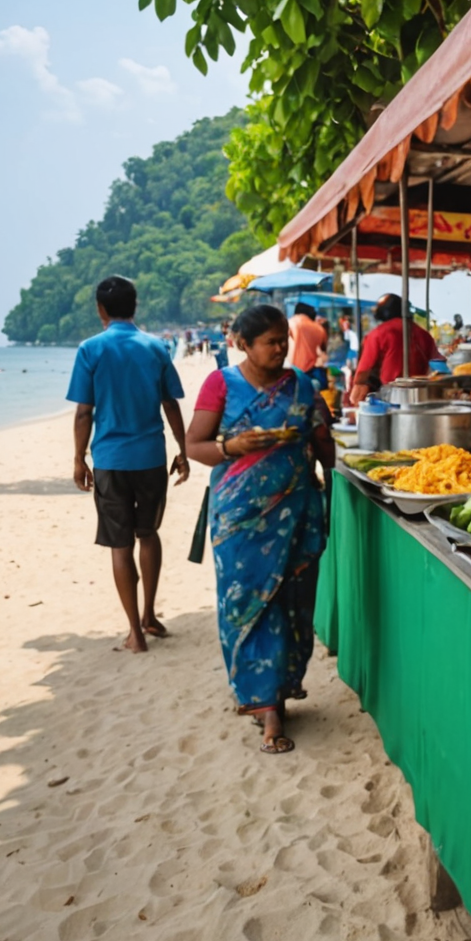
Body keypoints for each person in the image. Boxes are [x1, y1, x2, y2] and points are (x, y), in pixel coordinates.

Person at [184, 304, 334, 754]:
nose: (279, 349)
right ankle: (265, 707)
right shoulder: (220, 384)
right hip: (239, 518)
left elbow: (323, 441)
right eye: (269, 342)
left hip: (297, 512)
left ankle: (279, 693)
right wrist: (232, 446)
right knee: (247, 604)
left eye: (282, 341)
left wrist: (334, 481)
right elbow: (195, 444)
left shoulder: (303, 386)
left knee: (292, 602)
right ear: (242, 344)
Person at [68, 276, 190, 653]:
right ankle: (149, 616)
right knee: (148, 535)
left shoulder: (90, 349)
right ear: (135, 306)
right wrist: (183, 451)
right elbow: (171, 404)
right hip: (151, 457)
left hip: (109, 460)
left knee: (119, 546)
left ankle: (134, 634)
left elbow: (83, 412)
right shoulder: (156, 347)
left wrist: (78, 458)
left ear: (100, 310)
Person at [347, 294, 438, 404]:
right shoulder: (425, 335)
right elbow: (434, 364)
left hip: (391, 395)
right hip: (421, 394)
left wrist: (357, 388)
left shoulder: (379, 333)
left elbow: (365, 368)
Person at [288, 302, 329, 391]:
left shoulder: (291, 323)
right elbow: (323, 351)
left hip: (296, 372)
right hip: (314, 373)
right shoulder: (320, 329)